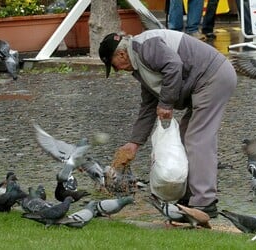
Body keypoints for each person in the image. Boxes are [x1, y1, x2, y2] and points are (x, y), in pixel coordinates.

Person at [98, 30, 237, 218]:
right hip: (206, 81)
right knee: (184, 137)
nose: (117, 70)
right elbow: (148, 106)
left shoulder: (146, 48)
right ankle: (189, 197)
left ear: (121, 54)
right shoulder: (140, 65)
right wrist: (134, 143)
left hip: (213, 78)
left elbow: (173, 65)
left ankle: (205, 202)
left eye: (113, 65)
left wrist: (166, 103)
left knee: (198, 139)